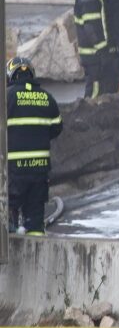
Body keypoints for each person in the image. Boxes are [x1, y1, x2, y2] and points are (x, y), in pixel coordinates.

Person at [6, 57, 62, 236]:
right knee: (35, 222)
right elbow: (56, 128)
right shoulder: (47, 97)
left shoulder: (6, 97)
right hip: (39, 170)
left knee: (7, 214)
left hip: (14, 170)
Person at [74, 0, 119, 98]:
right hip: (95, 56)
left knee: (107, 91)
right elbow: (92, 28)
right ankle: (88, 119)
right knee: (94, 93)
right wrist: (104, 52)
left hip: (97, 55)